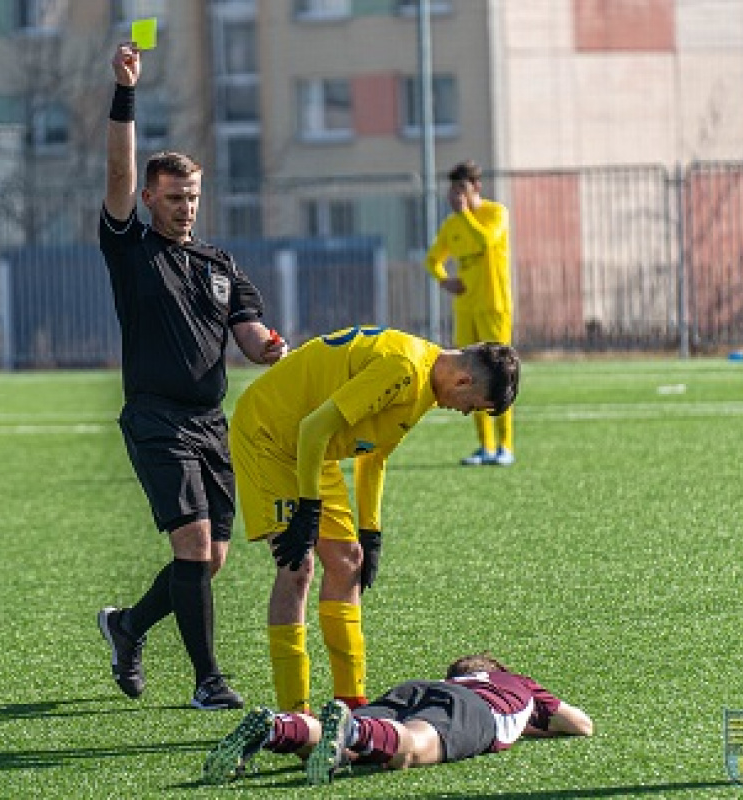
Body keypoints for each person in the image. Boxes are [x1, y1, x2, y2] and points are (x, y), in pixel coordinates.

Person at [96, 42, 286, 711]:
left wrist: (267, 349)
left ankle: (126, 626)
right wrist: (126, 92)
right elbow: (117, 173)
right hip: (156, 419)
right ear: (149, 197)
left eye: (194, 197)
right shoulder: (131, 248)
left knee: (210, 561)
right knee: (195, 545)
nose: (186, 208)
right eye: (175, 197)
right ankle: (209, 682)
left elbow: (250, 331)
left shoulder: (219, 261)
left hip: (212, 425)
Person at [228, 326, 519, 716]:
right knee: (297, 567)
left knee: (349, 562)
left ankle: (350, 701)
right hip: (271, 434)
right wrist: (309, 510)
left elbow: (373, 456)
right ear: (464, 379)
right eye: (474, 406)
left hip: (313, 448)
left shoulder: (425, 386)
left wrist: (371, 532)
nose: (465, 412)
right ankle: (294, 712)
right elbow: (312, 427)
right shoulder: (403, 368)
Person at [201, 650, 593, 786]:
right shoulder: (516, 684)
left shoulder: (448, 679)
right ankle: (353, 728)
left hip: (413, 689)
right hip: (475, 711)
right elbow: (581, 725)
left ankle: (277, 728)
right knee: (413, 747)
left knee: (345, 748)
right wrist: (528, 722)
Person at [425, 160, 515, 467]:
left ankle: (505, 446)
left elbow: (485, 242)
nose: (455, 195)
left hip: (494, 305)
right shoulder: (451, 226)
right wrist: (443, 279)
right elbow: (432, 259)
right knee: (470, 373)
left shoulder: (495, 213)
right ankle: (485, 446)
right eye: (452, 189)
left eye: (461, 188)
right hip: (465, 309)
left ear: (475, 188)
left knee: (499, 373)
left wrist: (465, 214)